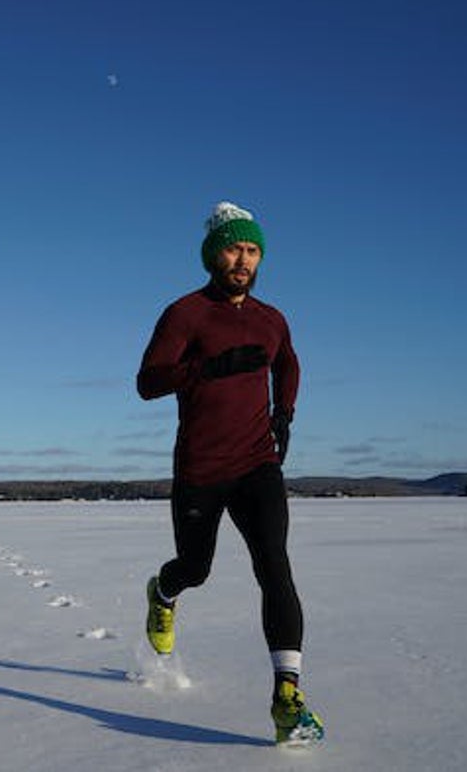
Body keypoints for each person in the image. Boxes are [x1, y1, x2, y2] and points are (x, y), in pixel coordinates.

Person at [136, 201, 324, 746]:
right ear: (213, 254)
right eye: (234, 248)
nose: (243, 259)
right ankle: (163, 593)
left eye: (252, 249)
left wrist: (283, 413)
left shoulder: (271, 319)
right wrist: (204, 369)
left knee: (275, 567)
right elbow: (147, 381)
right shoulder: (185, 313)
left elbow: (287, 360)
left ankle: (287, 696)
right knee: (196, 567)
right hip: (201, 466)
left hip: (257, 463)